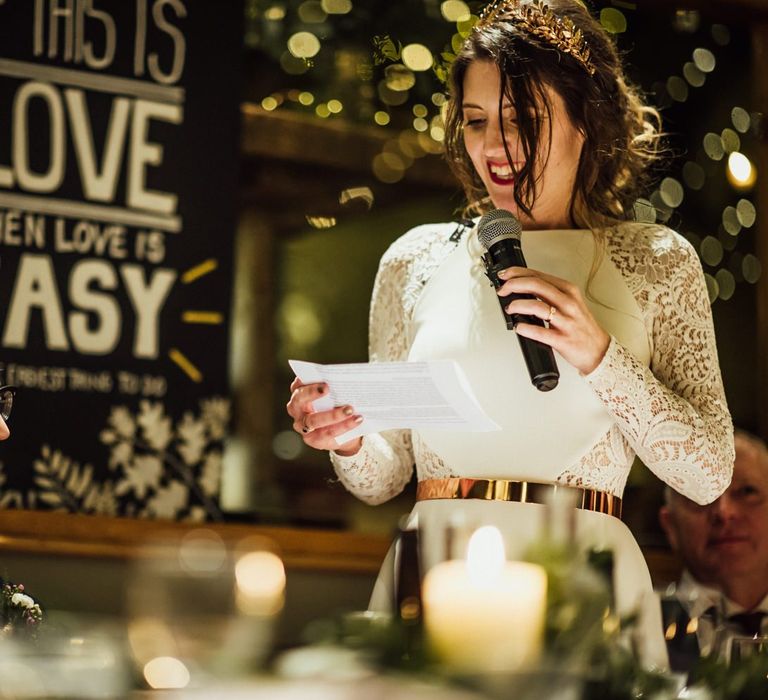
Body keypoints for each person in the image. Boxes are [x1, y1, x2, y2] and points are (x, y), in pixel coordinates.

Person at [286, 0, 734, 667]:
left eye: (522, 121)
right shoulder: (416, 260)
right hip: (435, 575)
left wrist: (599, 355)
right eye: (475, 121)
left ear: (587, 121)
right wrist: (349, 437)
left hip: (585, 585)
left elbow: (708, 474)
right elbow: (384, 477)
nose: (494, 147)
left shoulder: (656, 262)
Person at [659, 430, 768, 664]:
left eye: (747, 491)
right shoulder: (640, 627)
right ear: (670, 525)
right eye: (700, 496)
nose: (725, 512)